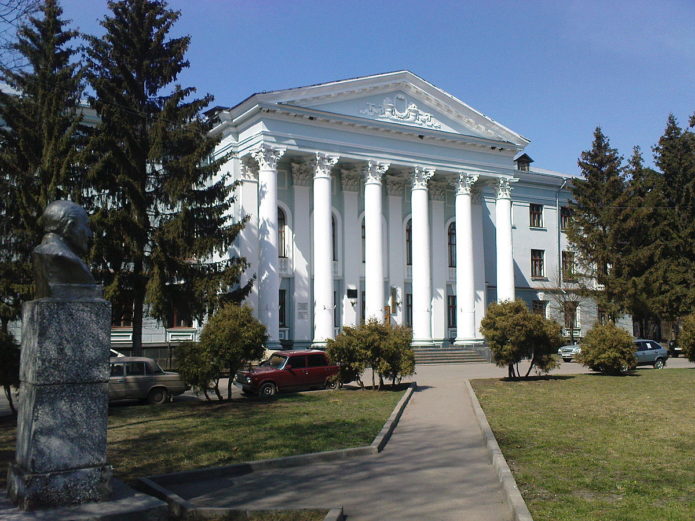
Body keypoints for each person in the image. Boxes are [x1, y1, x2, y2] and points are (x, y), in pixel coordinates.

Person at [32, 200, 95, 297]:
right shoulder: (67, 259)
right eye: (86, 226)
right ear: (70, 227)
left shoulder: (39, 252)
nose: (89, 234)